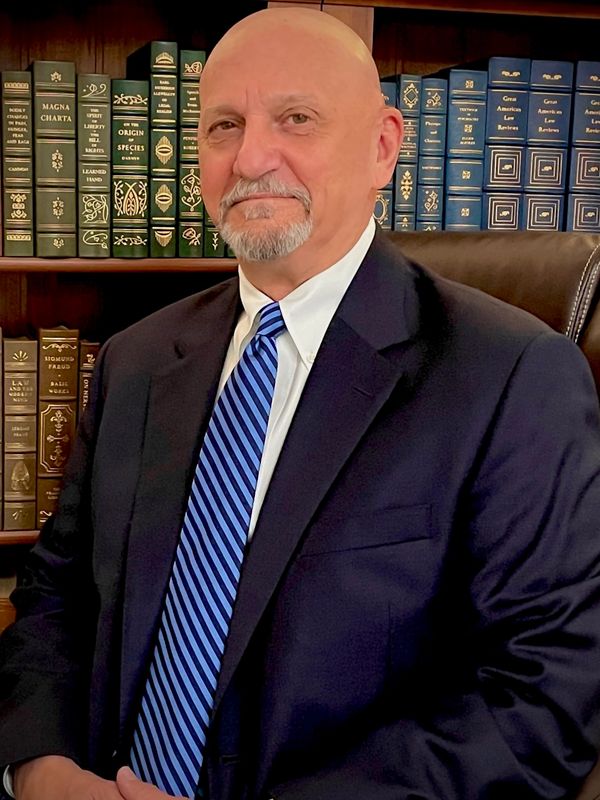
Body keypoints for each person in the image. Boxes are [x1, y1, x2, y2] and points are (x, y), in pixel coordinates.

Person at [2, 6, 600, 800]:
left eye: (297, 118)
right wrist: (39, 770)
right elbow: (58, 594)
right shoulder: (136, 360)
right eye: (222, 126)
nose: (252, 156)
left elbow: (540, 702)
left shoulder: (513, 377)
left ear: (384, 145)